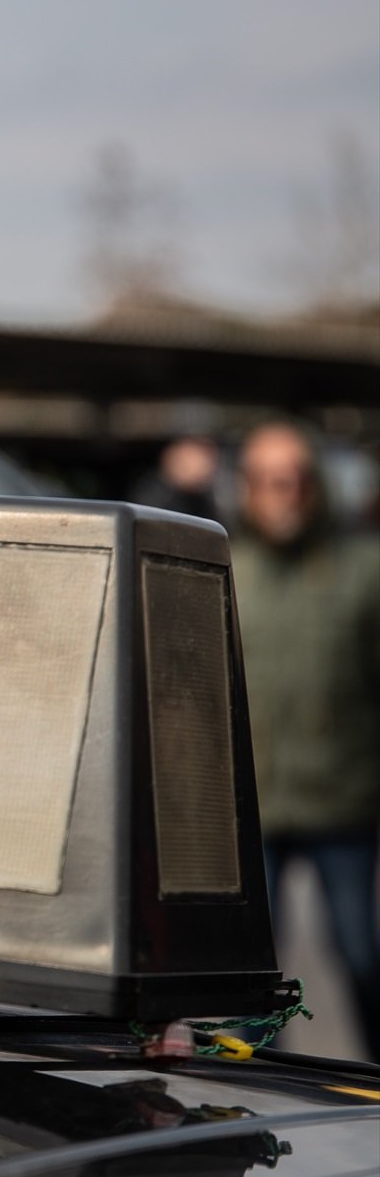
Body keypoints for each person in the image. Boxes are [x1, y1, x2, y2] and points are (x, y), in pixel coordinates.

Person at [230, 419, 380, 1055]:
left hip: (343, 799)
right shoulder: (228, 568)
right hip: (253, 806)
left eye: (292, 479)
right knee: (244, 974)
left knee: (359, 954)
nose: (281, 492)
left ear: (315, 485)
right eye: (266, 481)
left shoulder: (363, 570)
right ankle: (245, 1096)